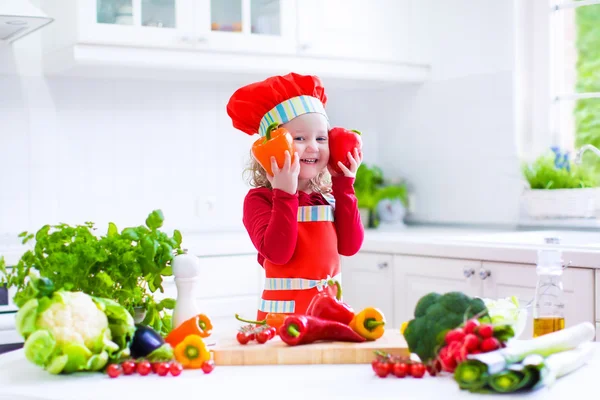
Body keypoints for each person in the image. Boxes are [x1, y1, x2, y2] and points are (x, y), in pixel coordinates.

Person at [227, 72, 364, 320]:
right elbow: (279, 253)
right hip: (282, 322)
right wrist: (284, 193)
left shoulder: (327, 197)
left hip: (329, 316)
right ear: (272, 147)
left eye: (321, 138)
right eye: (300, 138)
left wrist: (344, 185)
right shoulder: (260, 200)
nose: (313, 147)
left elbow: (351, 246)